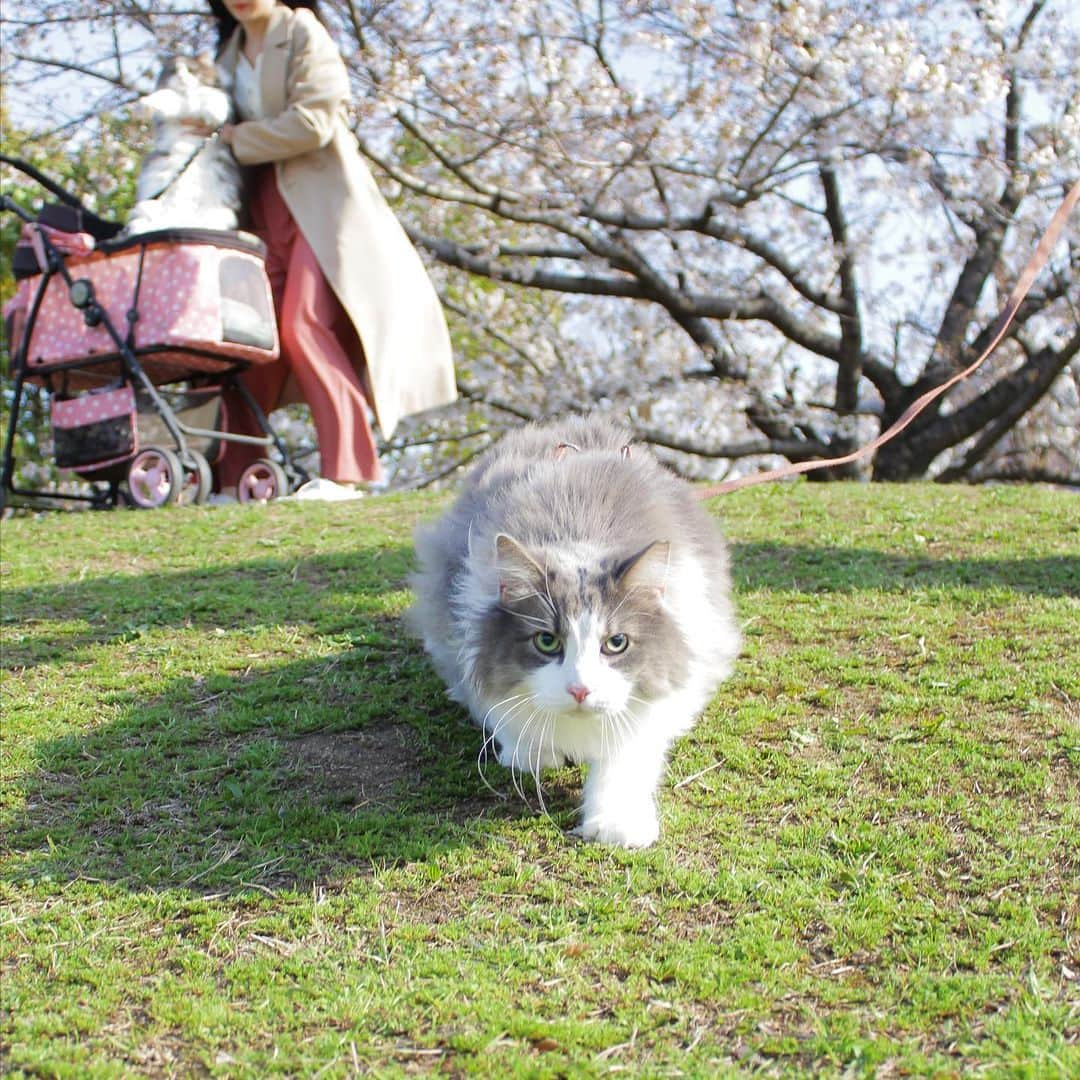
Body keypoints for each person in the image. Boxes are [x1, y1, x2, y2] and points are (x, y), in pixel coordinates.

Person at [207, 0, 455, 491]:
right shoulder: (226, 55)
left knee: (304, 324)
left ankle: (347, 471)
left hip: (321, 208)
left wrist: (237, 138)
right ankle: (234, 480)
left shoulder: (301, 32)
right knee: (247, 339)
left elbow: (315, 121)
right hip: (259, 212)